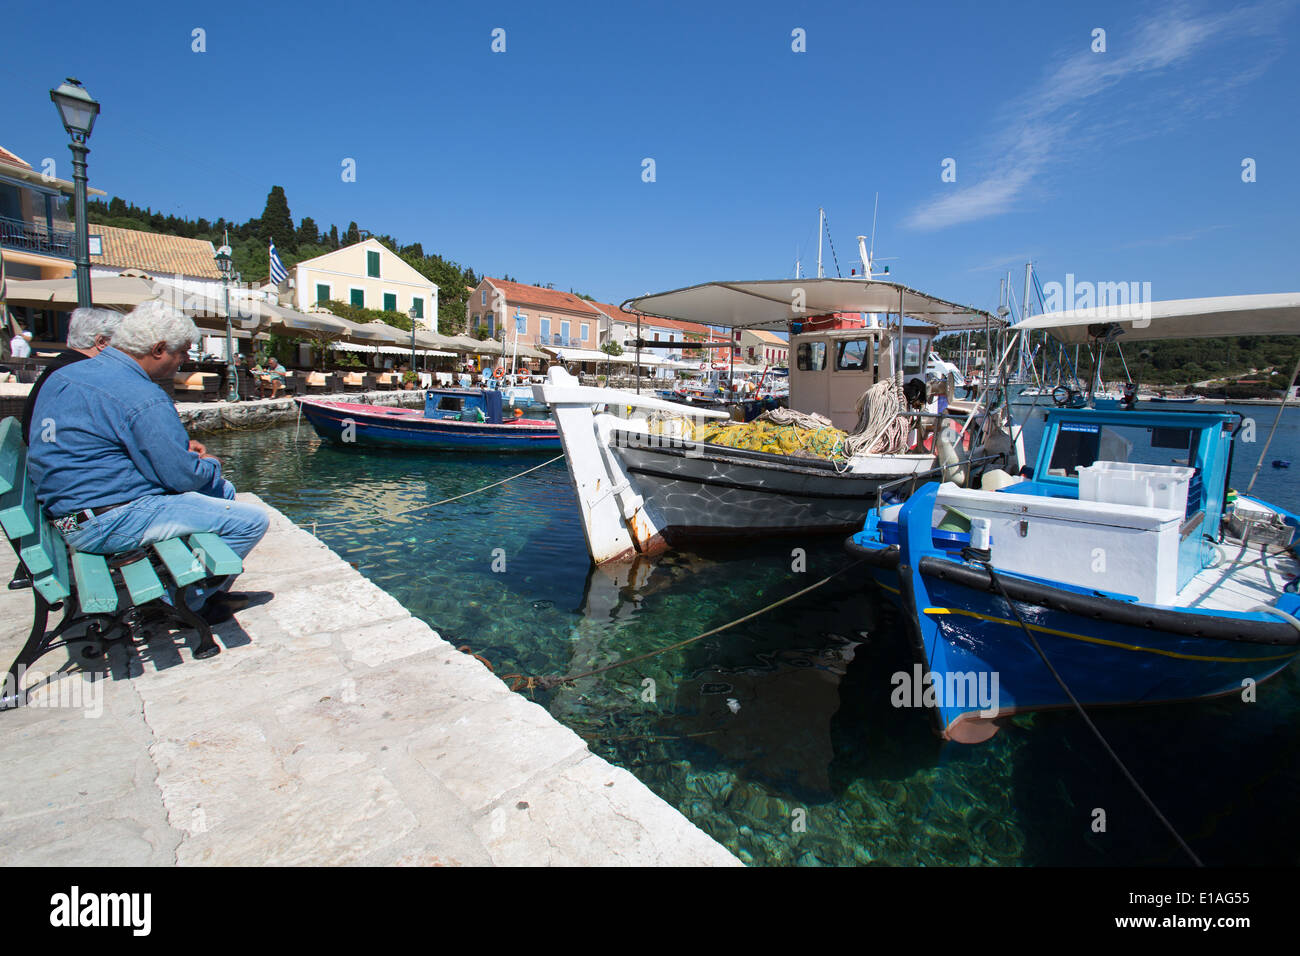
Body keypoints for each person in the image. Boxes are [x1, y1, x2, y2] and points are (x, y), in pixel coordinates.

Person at [27, 301, 269, 623]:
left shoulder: (64, 376)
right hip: (107, 521)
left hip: (68, 515)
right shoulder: (143, 395)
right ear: (157, 349)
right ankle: (183, 603)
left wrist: (178, 454)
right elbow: (184, 478)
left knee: (221, 493)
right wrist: (209, 461)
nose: (183, 362)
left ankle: (188, 587)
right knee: (251, 520)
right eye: (181, 352)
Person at [22, 307, 123, 445]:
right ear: (101, 342)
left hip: (43, 454)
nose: (127, 349)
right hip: (65, 459)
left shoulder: (60, 365)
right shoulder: (85, 374)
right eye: (122, 341)